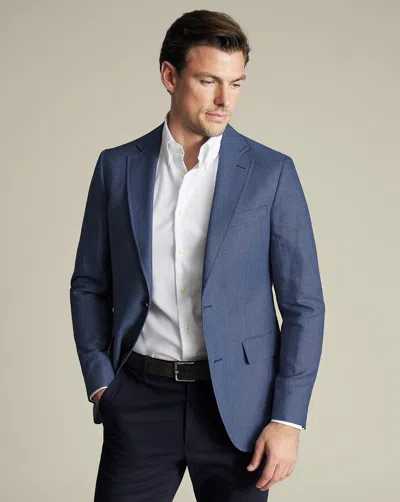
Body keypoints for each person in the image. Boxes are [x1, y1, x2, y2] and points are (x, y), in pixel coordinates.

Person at [69, 9, 325, 502]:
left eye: (236, 83)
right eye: (209, 81)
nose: (225, 99)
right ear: (170, 76)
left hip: (241, 410)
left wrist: (287, 419)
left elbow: (304, 306)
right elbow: (89, 284)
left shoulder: (271, 173)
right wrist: (102, 382)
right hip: (139, 399)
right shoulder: (117, 168)